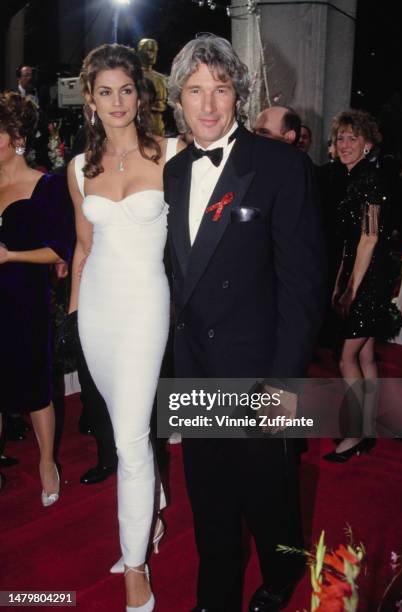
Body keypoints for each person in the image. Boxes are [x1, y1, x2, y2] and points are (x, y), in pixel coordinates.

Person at [165, 35, 326, 612]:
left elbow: (303, 288)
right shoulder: (175, 172)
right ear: (177, 101)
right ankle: (215, 597)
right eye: (195, 91)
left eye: (221, 89)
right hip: (195, 372)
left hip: (258, 370)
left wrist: (285, 386)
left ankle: (283, 574)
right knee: (208, 499)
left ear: (239, 94)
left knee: (268, 494)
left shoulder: (281, 165)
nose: (208, 105)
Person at [67, 43, 184, 612]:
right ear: (89, 100)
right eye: (105, 92)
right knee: (122, 425)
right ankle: (151, 511)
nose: (117, 102)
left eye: (126, 90)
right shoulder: (77, 169)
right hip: (95, 311)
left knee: (131, 438)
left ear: (141, 96)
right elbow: (84, 247)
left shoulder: (170, 153)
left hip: (145, 308)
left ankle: (134, 564)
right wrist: (71, 317)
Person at [0, 91, 74, 504]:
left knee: (35, 389)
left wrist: (11, 254)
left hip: (24, 300)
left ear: (13, 136)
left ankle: (47, 461)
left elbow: (60, 249)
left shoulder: (45, 185)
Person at [323, 109, 390, 462]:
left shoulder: (369, 180)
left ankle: (356, 433)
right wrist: (339, 284)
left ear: (367, 144)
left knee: (346, 357)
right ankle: (371, 425)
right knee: (365, 355)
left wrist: (351, 289)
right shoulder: (352, 178)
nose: (345, 144)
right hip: (359, 274)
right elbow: (351, 245)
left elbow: (370, 238)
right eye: (341, 138)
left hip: (369, 279)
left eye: (353, 138)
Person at [137, 39, 167, 136]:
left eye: (154, 51)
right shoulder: (132, 77)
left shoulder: (161, 78)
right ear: (140, 51)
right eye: (149, 50)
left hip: (159, 129)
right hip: (140, 128)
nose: (152, 55)